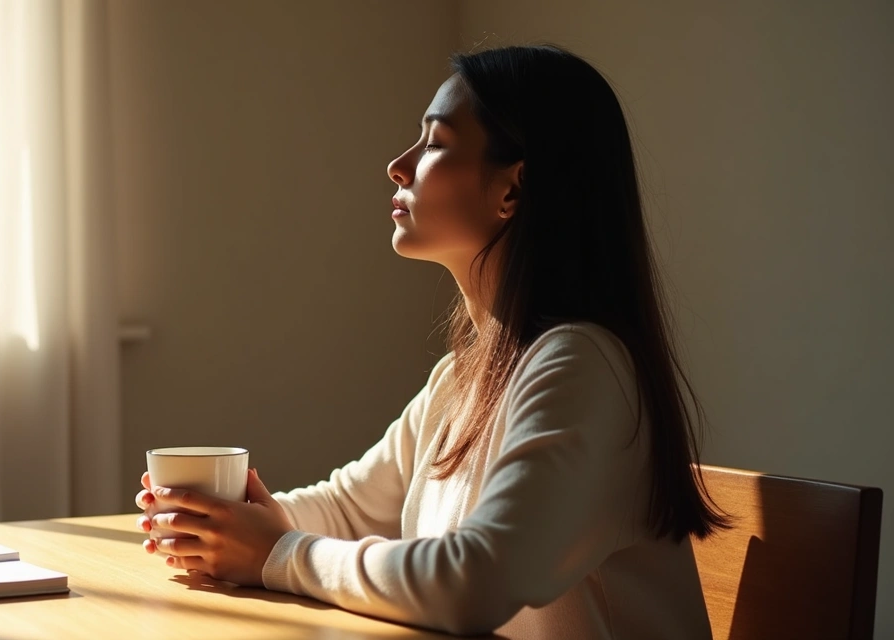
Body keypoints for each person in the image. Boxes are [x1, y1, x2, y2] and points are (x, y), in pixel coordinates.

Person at [134, 44, 725, 638]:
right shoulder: (463, 376)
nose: (399, 164)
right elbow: (351, 508)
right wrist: (233, 522)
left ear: (512, 191)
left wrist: (279, 553)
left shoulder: (582, 366)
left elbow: (476, 582)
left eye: (435, 142)